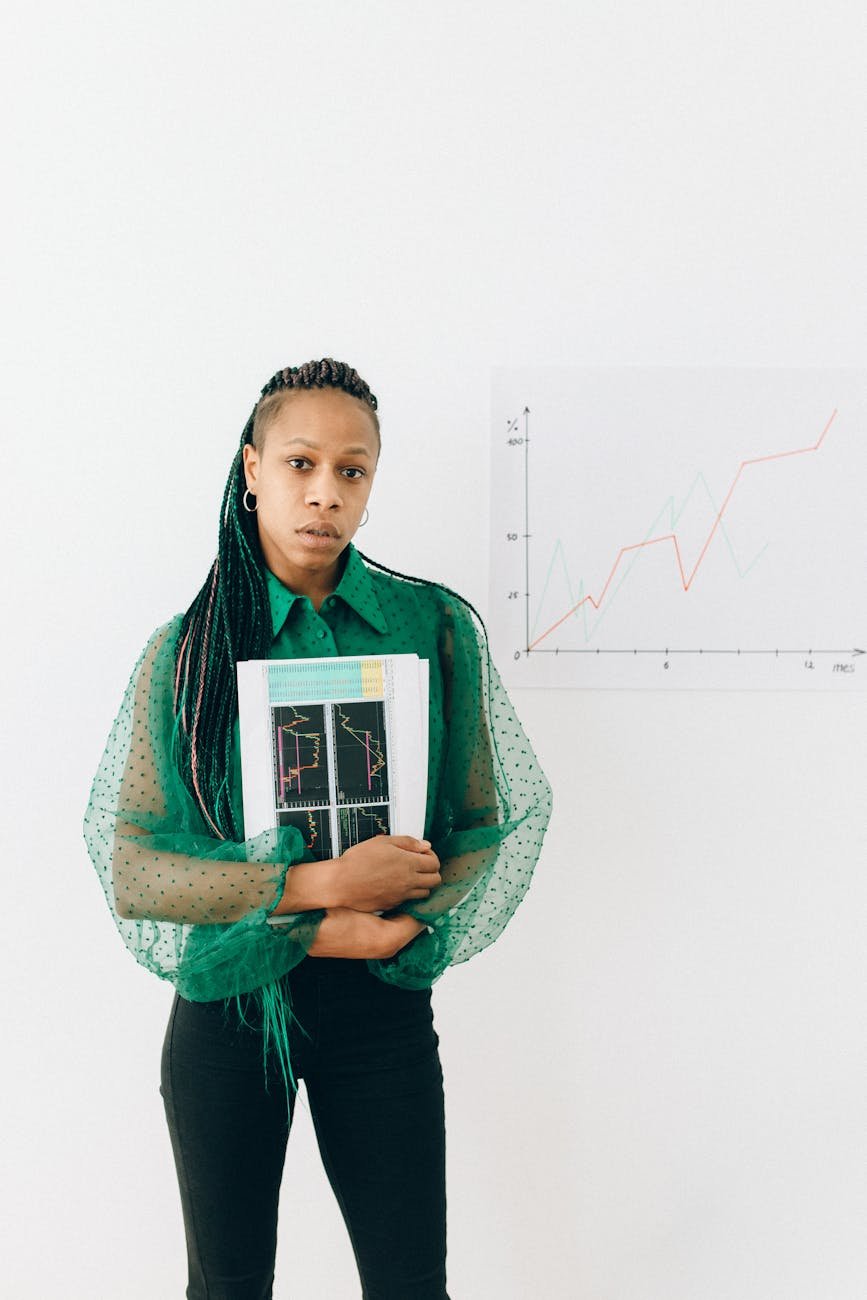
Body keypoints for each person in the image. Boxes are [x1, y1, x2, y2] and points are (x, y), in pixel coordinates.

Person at [83, 357, 553, 1299]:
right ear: (251, 468)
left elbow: (489, 821)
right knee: (227, 1288)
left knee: (410, 1282)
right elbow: (130, 862)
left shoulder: (432, 628)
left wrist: (406, 924)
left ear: (372, 483)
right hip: (227, 1013)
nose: (323, 493)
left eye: (351, 470)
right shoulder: (186, 653)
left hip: (378, 1006)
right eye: (299, 464)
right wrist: (319, 897)